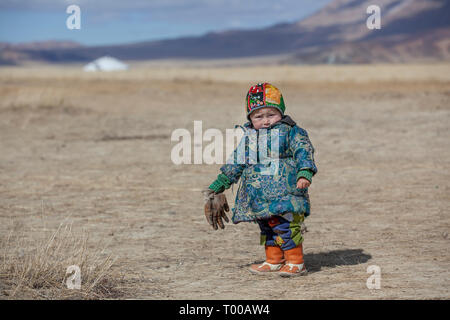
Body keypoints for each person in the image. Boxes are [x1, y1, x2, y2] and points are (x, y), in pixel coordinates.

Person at [203, 82, 317, 277]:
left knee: (285, 226)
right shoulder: (249, 138)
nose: (265, 121)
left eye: (271, 115)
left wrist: (304, 172)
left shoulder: (291, 131)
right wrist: (220, 183)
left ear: (281, 113)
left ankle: (296, 261)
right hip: (259, 197)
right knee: (268, 227)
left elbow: (303, 151)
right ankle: (274, 260)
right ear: (250, 118)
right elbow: (236, 163)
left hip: (285, 191)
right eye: (258, 116)